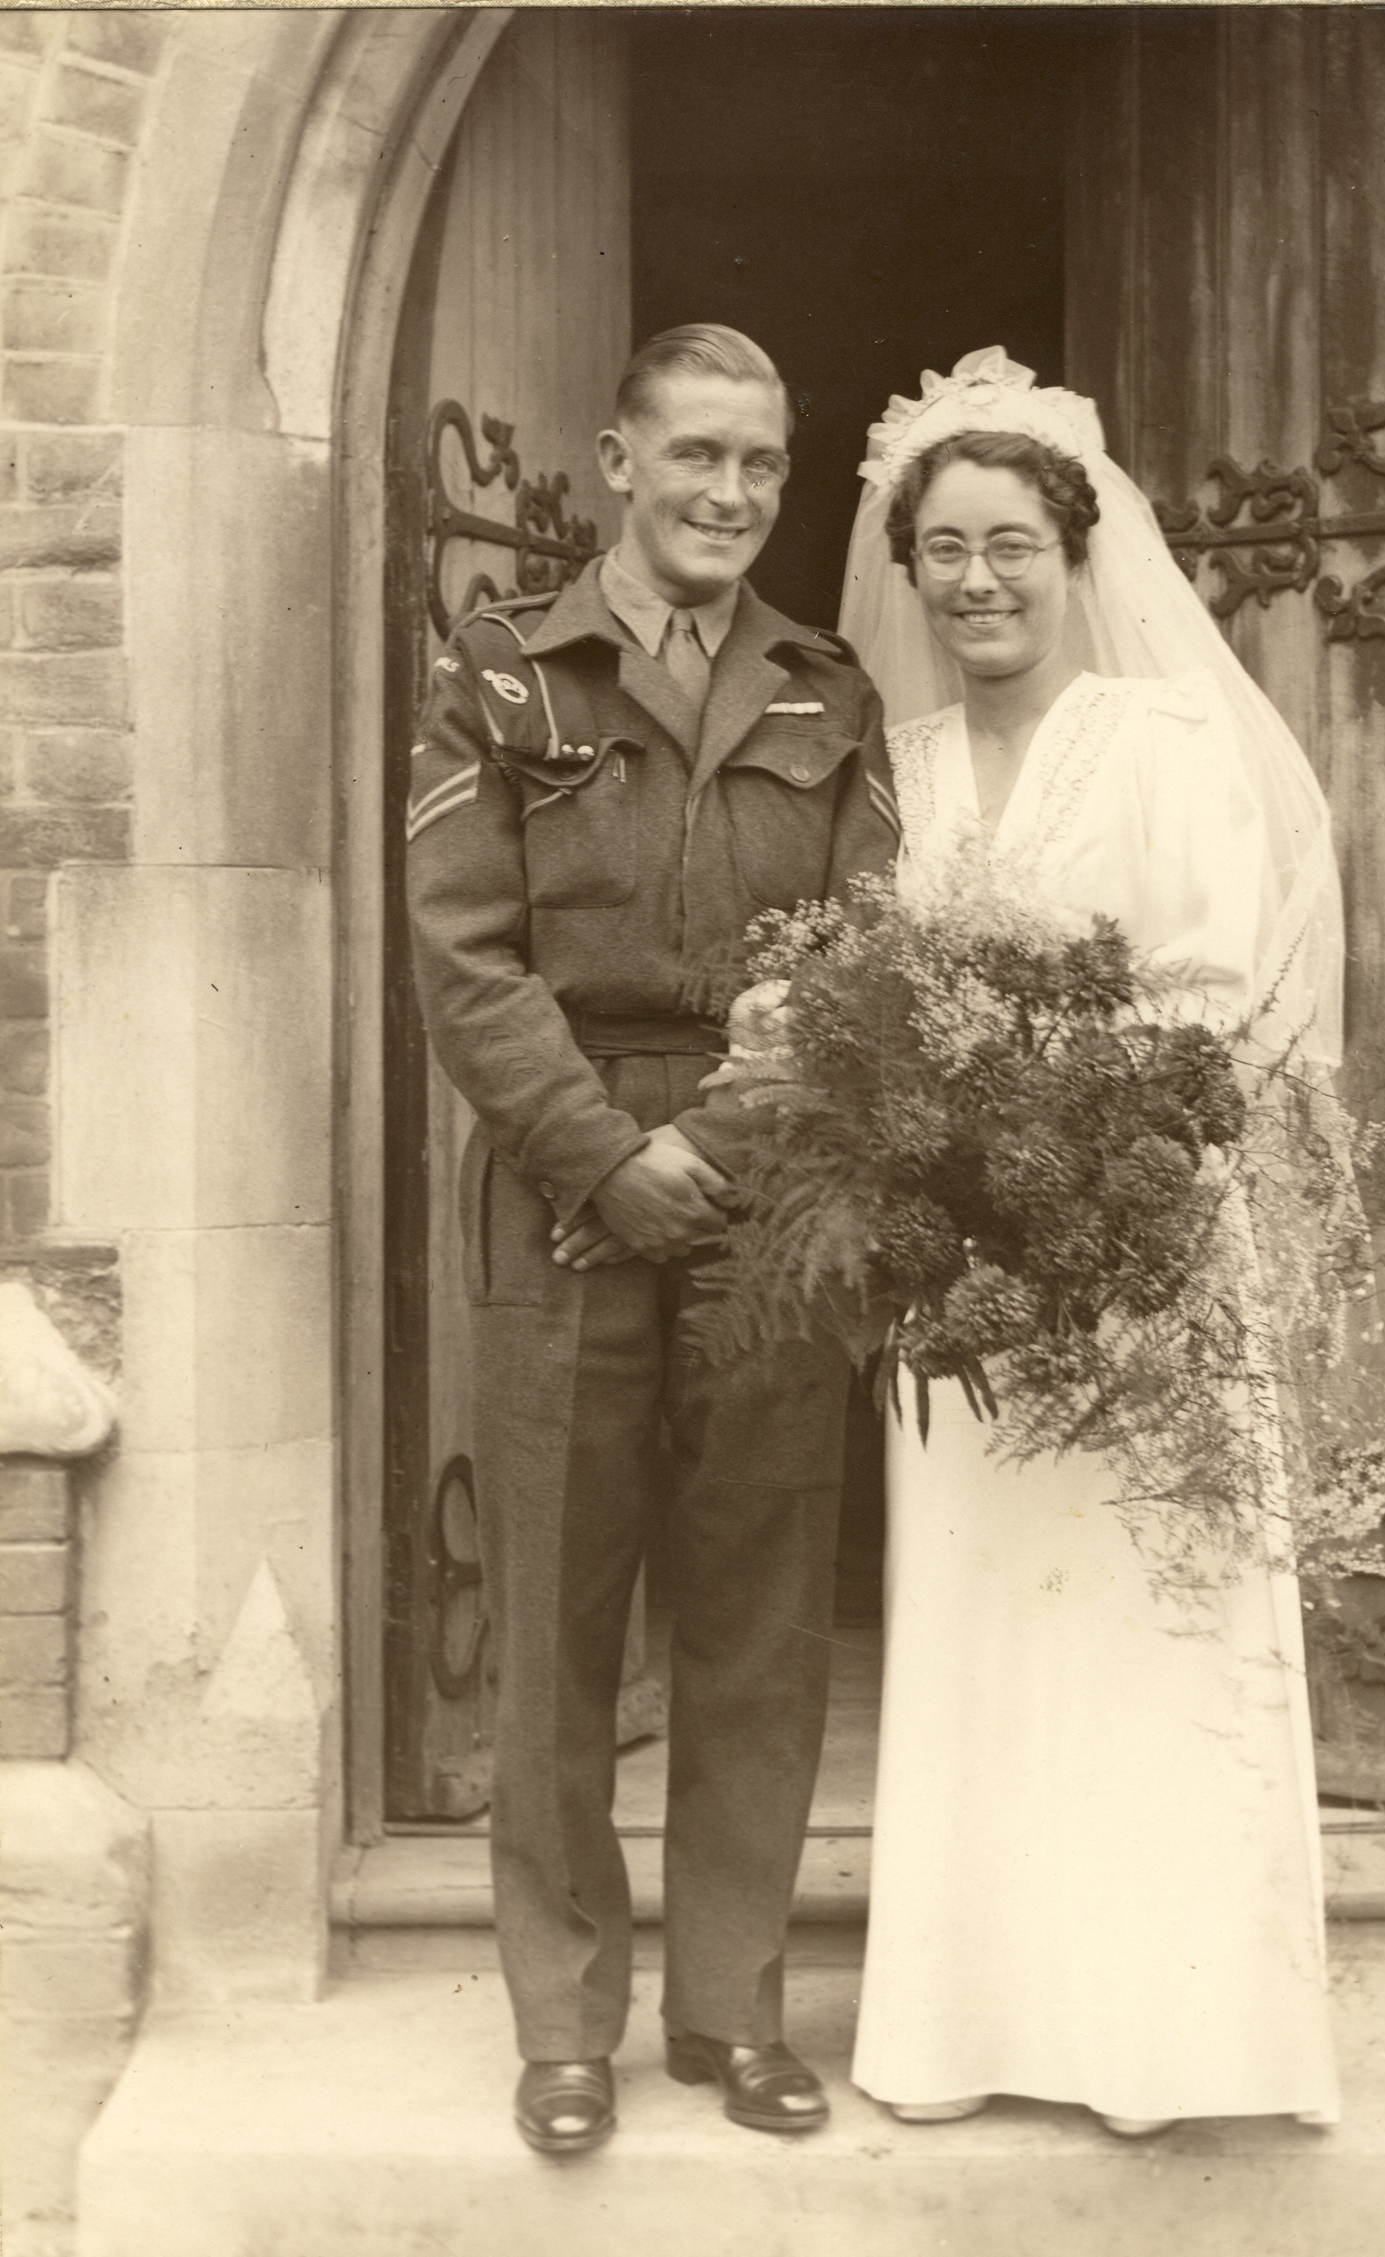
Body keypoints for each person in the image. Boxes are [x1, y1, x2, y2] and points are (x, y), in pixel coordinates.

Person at [838, 348, 1345, 2133]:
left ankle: (1168, 2038)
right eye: (944, 549)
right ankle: (970, 2024)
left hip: (1139, 1255)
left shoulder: (1168, 740)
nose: (977, 581)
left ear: (1077, 550)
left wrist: (1086, 1163)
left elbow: (1209, 1002)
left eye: (1011, 544)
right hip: (961, 1284)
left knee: (1141, 1617)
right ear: (905, 570)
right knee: (988, 1622)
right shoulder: (890, 767)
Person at [406, 324, 898, 2155]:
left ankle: (732, 2009)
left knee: (762, 1616)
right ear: (614, 459)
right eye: (694, 455)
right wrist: (611, 1157)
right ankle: (563, 2019)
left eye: (759, 466)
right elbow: (463, 959)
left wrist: (739, 1136)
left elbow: (861, 954)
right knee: (555, 1615)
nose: (727, 495)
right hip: (561, 1192)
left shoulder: (824, 694)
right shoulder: (502, 676)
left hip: (776, 1192)